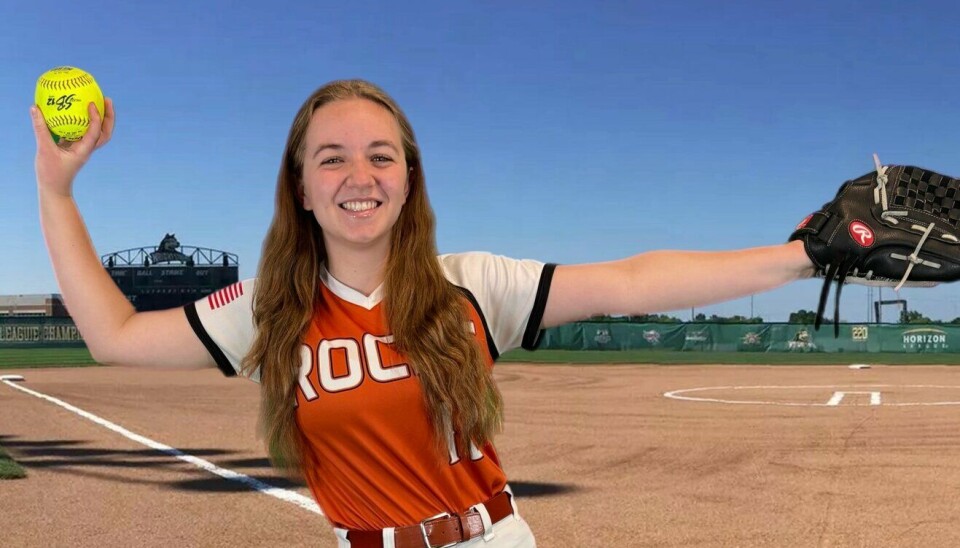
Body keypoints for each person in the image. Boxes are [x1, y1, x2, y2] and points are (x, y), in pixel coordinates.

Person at [30, 79, 813, 547]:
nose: (359, 174)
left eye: (382, 155)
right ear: (302, 188)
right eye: (331, 158)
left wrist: (798, 257)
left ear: (408, 179)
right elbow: (114, 336)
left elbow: (631, 282)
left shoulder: (470, 285)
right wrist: (56, 190)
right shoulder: (271, 312)